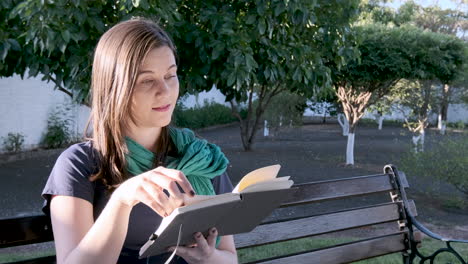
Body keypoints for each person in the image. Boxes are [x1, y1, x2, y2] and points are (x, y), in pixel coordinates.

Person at [41, 18, 238, 264]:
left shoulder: (199, 157)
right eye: (147, 80)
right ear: (115, 87)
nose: (165, 90)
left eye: (171, 75)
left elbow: (229, 258)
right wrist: (122, 200)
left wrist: (208, 257)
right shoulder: (80, 163)